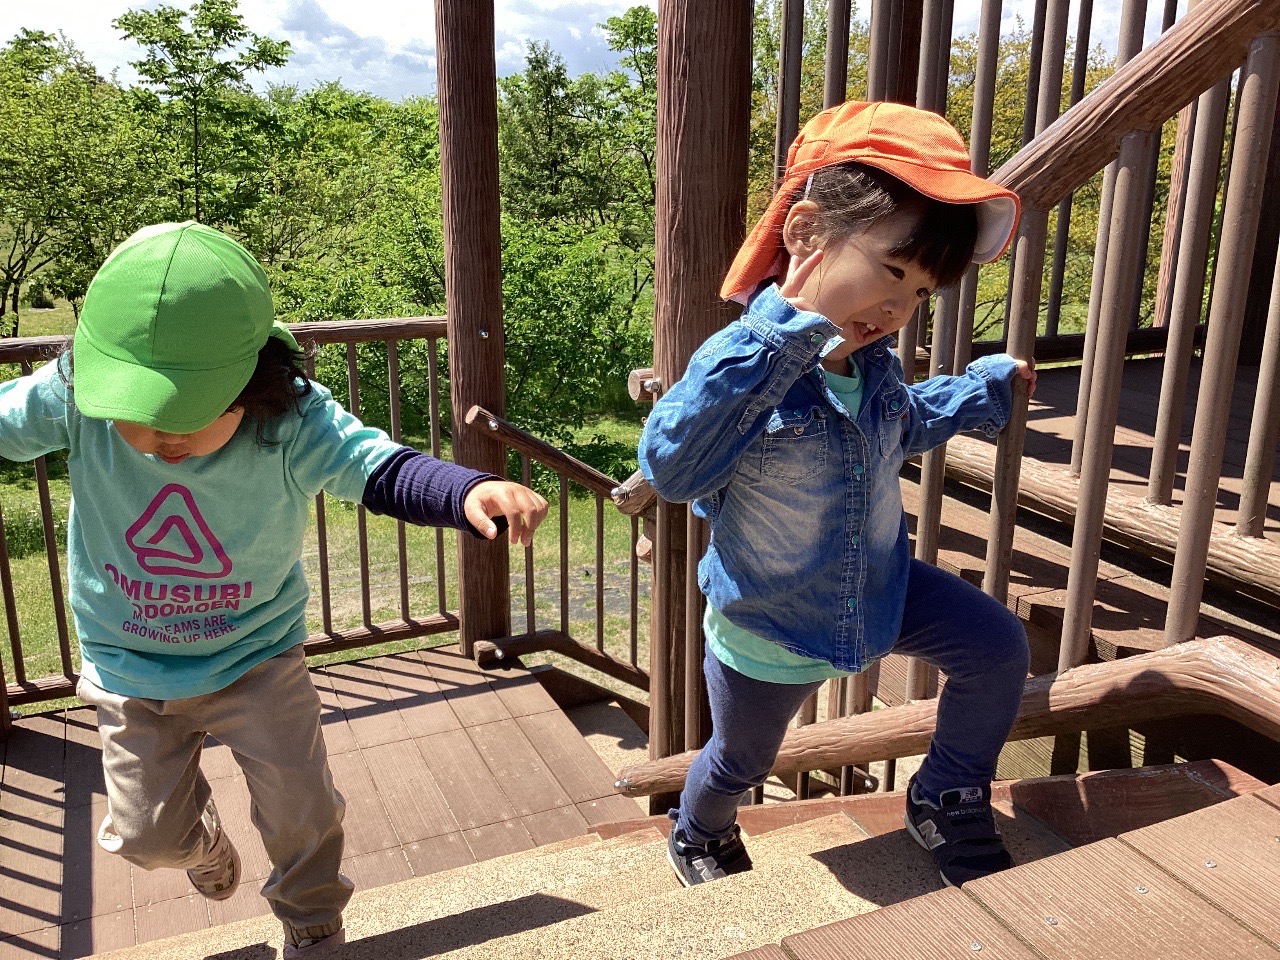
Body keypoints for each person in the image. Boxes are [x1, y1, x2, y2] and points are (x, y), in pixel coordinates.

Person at [0, 222, 548, 956]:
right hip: (129, 666)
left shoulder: (290, 419)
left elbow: (374, 465)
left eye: (190, 414)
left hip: (256, 656)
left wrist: (465, 491)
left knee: (302, 811)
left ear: (250, 385)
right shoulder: (74, 397)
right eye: (141, 411)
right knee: (145, 839)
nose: (165, 438)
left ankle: (312, 921)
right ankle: (201, 844)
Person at [638, 100, 1036, 890]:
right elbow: (674, 469)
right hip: (771, 620)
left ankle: (945, 791)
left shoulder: (872, 366)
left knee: (996, 648)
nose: (897, 309)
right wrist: (778, 342)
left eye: (919, 293)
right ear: (806, 231)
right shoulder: (739, 361)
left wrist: (983, 390)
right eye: (892, 271)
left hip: (879, 586)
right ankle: (699, 830)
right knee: (743, 758)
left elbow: (906, 422)